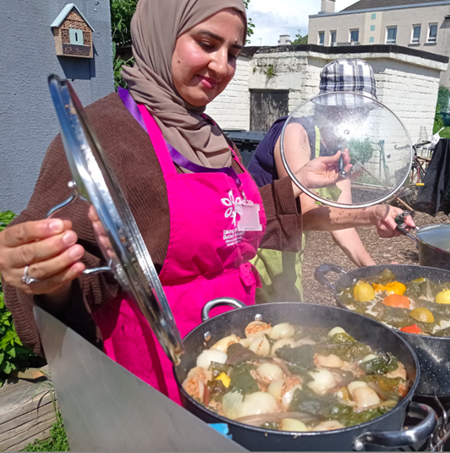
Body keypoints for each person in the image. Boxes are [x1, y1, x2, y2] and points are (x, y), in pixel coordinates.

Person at [0, 0, 351, 403]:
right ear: (161, 34)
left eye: (233, 53)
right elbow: (68, 275)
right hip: (158, 376)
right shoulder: (106, 135)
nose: (221, 66)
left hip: (240, 353)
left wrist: (297, 185)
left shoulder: (205, 130)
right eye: (206, 43)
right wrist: (44, 274)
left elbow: (232, 226)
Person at [247, 59, 415, 303]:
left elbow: (341, 221)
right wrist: (374, 214)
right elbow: (307, 214)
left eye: (362, 109)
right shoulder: (295, 134)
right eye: (347, 109)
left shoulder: (339, 149)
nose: (355, 116)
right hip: (255, 251)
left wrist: (375, 274)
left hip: (288, 252)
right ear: (326, 105)